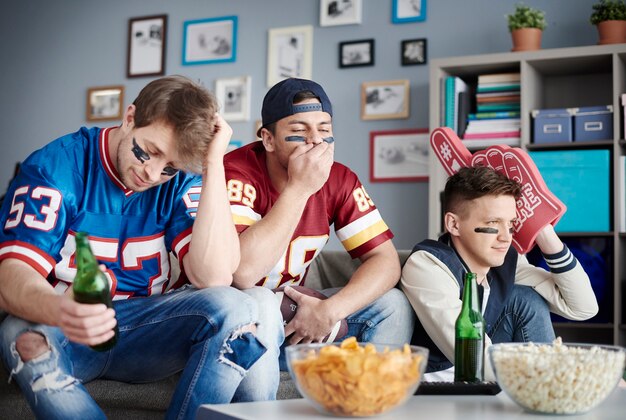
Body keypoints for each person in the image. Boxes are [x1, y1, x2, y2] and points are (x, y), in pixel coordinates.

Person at [0, 75, 281, 420]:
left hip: (147, 330)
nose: (151, 173)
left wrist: (213, 164)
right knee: (19, 333)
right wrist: (60, 310)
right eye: (148, 152)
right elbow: (12, 274)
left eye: (170, 167)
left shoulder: (183, 179)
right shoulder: (56, 167)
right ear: (129, 117)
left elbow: (216, 276)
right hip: (67, 327)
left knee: (240, 306)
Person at [224, 78, 415, 368]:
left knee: (393, 305)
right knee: (256, 304)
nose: (315, 140)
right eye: (299, 131)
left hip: (293, 313)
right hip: (237, 314)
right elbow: (242, 274)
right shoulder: (236, 171)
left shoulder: (340, 178)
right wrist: (300, 188)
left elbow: (385, 261)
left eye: (324, 129)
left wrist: (329, 311)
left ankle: (366, 403)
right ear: (268, 139)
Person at [400, 166, 599, 381]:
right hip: (439, 387)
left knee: (525, 299)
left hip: (490, 379)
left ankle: (550, 393)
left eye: (511, 224)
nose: (506, 237)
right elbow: (472, 356)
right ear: (453, 224)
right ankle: (551, 387)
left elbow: (583, 308)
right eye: (493, 223)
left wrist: (543, 231)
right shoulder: (427, 265)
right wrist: (571, 374)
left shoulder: (504, 261)